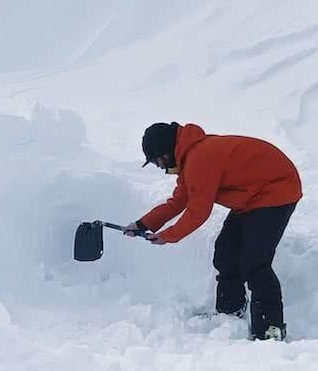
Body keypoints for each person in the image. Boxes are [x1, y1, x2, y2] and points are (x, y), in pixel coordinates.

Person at [128, 121, 302, 341]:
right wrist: (143, 224)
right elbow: (179, 201)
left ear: (167, 151)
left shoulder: (200, 159)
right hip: (251, 196)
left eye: (158, 161)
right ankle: (231, 311)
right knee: (226, 252)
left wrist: (167, 235)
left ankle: (270, 329)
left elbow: (198, 212)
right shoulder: (191, 157)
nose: (162, 168)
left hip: (276, 191)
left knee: (255, 261)